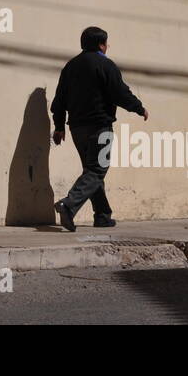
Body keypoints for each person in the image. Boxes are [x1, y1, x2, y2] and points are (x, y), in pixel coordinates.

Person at [50, 26, 148, 231]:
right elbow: (120, 93)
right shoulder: (105, 65)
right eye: (106, 43)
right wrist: (139, 109)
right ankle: (68, 205)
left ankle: (102, 215)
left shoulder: (70, 67)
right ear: (101, 45)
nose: (107, 47)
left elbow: (59, 100)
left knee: (91, 172)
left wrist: (59, 126)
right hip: (99, 127)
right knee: (97, 170)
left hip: (77, 128)